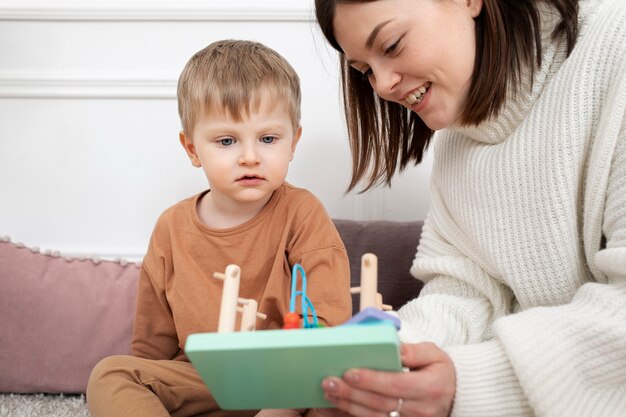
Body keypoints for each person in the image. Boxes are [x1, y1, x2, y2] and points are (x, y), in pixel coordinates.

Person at [313, 0, 626, 416]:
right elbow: (466, 292)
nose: (384, 85)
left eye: (391, 45)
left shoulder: (616, 49)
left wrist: (470, 380)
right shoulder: (456, 146)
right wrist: (396, 352)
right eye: (365, 71)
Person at [86, 39, 352, 417]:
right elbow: (152, 348)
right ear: (192, 149)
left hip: (288, 383)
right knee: (112, 375)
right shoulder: (171, 228)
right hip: (204, 382)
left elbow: (329, 327)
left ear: (294, 142)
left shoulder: (303, 213)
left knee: (343, 394)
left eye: (268, 139)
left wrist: (283, 407)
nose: (249, 156)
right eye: (226, 141)